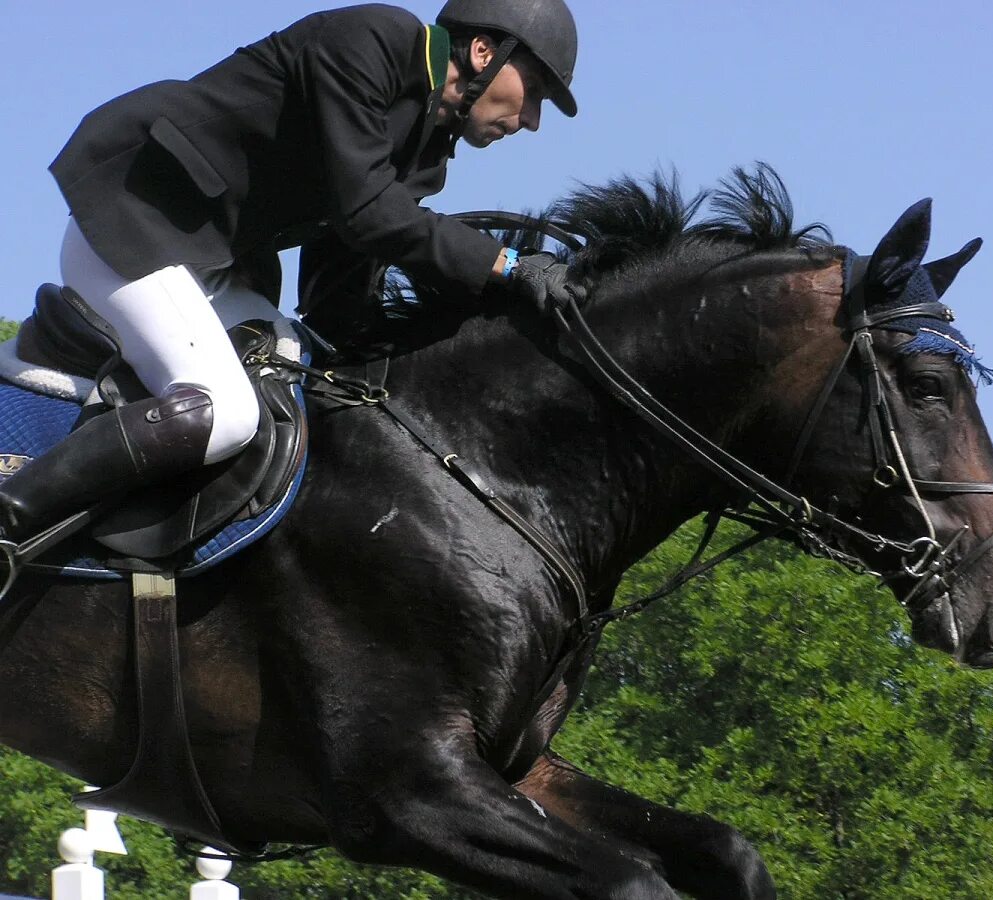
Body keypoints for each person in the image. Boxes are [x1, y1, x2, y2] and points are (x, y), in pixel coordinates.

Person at [0, 0, 584, 546]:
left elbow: (342, 274)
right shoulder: (373, 42)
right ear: (484, 54)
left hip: (207, 260)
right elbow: (369, 214)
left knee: (295, 370)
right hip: (132, 220)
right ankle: (11, 519)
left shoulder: (427, 151)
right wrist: (504, 264)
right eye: (534, 92)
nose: (531, 120)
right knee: (226, 413)